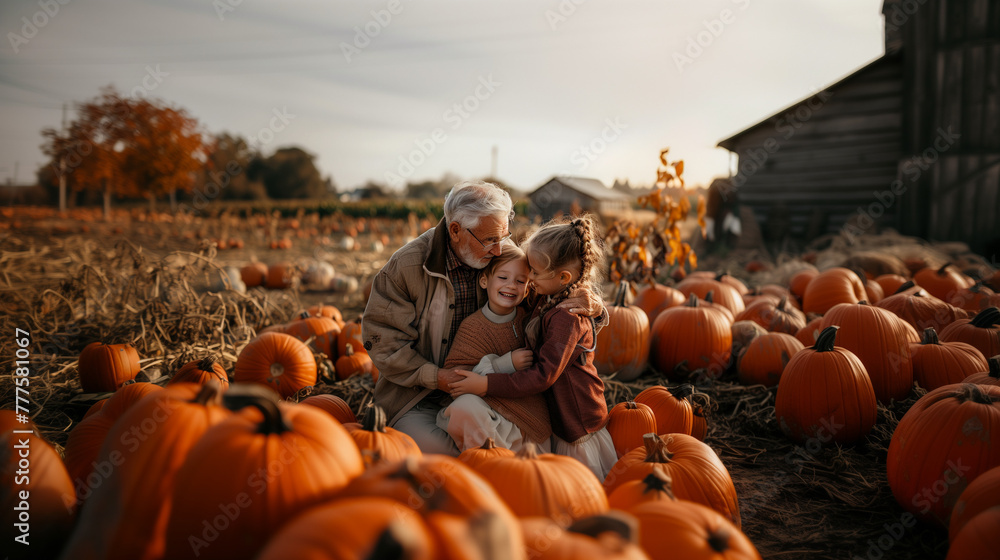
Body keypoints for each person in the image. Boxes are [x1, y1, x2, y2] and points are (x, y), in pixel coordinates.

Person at [362, 180, 605, 456]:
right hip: (418, 397)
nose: (499, 249)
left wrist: (591, 302)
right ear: (455, 230)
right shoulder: (405, 268)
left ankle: (510, 473)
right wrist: (437, 377)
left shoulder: (501, 254)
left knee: (511, 448)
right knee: (441, 455)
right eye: (490, 240)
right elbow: (384, 343)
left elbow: (551, 286)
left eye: (503, 237)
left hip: (491, 388)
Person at [448, 215, 617, 480]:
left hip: (577, 422)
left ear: (563, 276)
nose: (529, 281)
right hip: (562, 415)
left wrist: (486, 384)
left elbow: (542, 376)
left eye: (534, 274)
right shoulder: (550, 295)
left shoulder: (567, 317)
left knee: (583, 489)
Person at [435, 242, 552, 453]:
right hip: (490, 416)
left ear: (527, 290)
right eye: (503, 277)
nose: (511, 286)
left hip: (523, 414)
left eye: (520, 281)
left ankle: (516, 462)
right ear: (484, 280)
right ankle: (492, 462)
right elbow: (458, 379)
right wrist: (504, 364)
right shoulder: (473, 327)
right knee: (464, 408)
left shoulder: (529, 321)